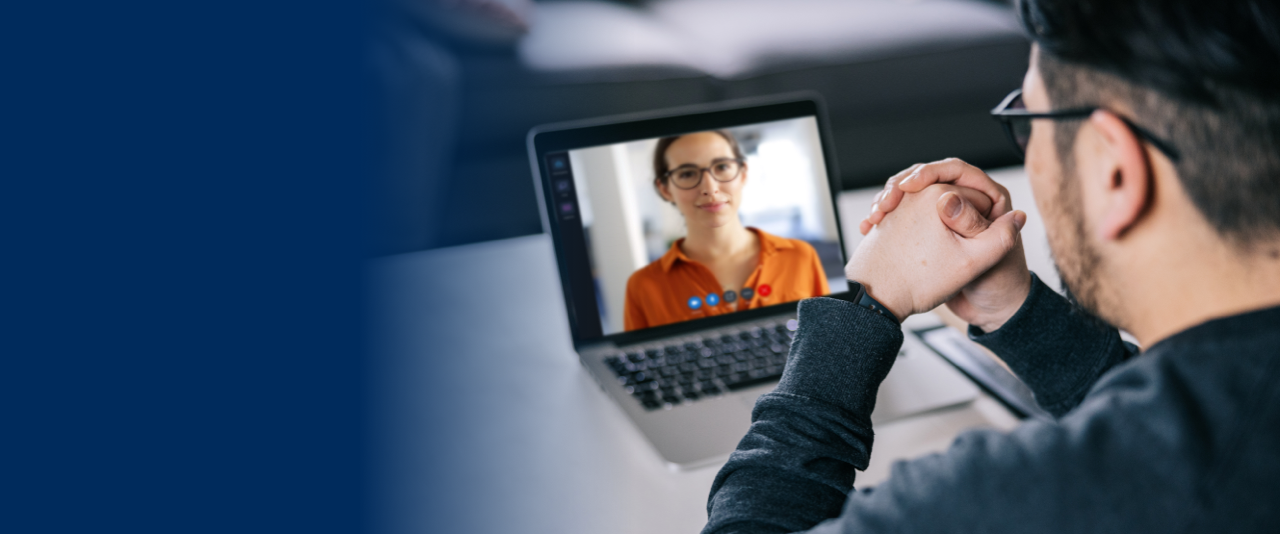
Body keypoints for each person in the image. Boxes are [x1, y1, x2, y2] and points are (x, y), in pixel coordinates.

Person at [703, 0, 1280, 532]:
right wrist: (1016, 310)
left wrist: (867, 302)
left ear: (1115, 171)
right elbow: (1185, 420)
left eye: (1031, 118)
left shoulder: (1004, 500)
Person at [623, 130, 829, 331]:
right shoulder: (643, 286)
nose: (710, 188)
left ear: (743, 174)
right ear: (665, 189)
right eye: (687, 173)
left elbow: (830, 343)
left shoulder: (800, 256)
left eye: (721, 166)